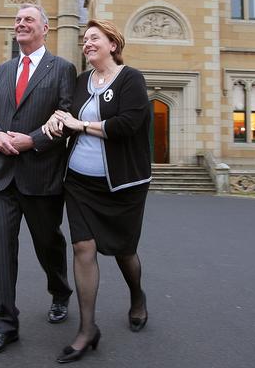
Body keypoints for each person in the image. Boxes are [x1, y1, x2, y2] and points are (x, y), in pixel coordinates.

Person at [43, 19, 152, 364]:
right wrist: (56, 121)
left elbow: (128, 125)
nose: (87, 43)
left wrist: (82, 125)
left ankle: (137, 296)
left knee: (124, 250)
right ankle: (88, 329)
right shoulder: (80, 81)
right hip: (79, 182)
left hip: (121, 185)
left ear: (113, 45)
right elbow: (68, 117)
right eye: (84, 39)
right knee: (82, 247)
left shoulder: (131, 79)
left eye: (94, 38)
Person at [0, 4, 76, 356]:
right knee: (2, 250)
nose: (20, 24)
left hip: (42, 176)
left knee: (48, 244)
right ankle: (5, 323)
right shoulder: (2, 71)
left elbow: (65, 118)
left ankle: (60, 291)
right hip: (2, 178)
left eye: (28, 19)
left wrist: (31, 140)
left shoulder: (62, 68)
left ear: (45, 28)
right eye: (17, 20)